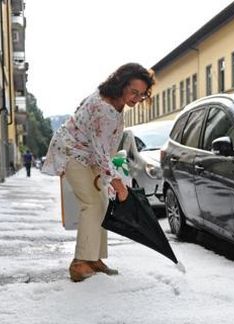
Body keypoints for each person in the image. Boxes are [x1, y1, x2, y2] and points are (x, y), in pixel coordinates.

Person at [42, 63, 154, 282]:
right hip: (72, 152)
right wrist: (118, 183)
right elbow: (100, 150)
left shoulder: (115, 102)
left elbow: (103, 148)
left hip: (89, 155)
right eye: (133, 92)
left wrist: (112, 177)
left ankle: (93, 258)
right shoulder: (103, 107)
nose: (137, 98)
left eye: (141, 95)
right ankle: (80, 263)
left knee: (101, 202)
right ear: (121, 84)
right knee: (92, 204)